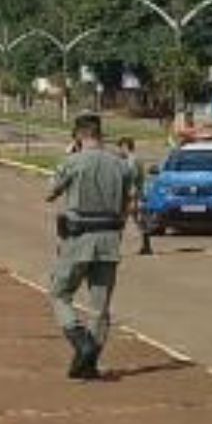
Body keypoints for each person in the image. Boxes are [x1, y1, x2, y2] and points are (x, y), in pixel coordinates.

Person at [46, 114, 132, 380]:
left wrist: (66, 158)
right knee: (100, 305)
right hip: (109, 240)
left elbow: (49, 192)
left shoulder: (72, 161)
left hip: (78, 238)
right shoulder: (120, 165)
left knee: (59, 292)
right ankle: (89, 363)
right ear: (100, 135)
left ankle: (80, 339)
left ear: (78, 138)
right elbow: (127, 204)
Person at [117, 136, 153, 256]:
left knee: (121, 221)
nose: (119, 150)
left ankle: (146, 246)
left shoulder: (132, 161)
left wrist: (133, 196)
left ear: (126, 147)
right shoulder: (131, 160)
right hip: (133, 195)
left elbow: (133, 179)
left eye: (121, 147)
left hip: (131, 196)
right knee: (139, 221)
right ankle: (146, 246)